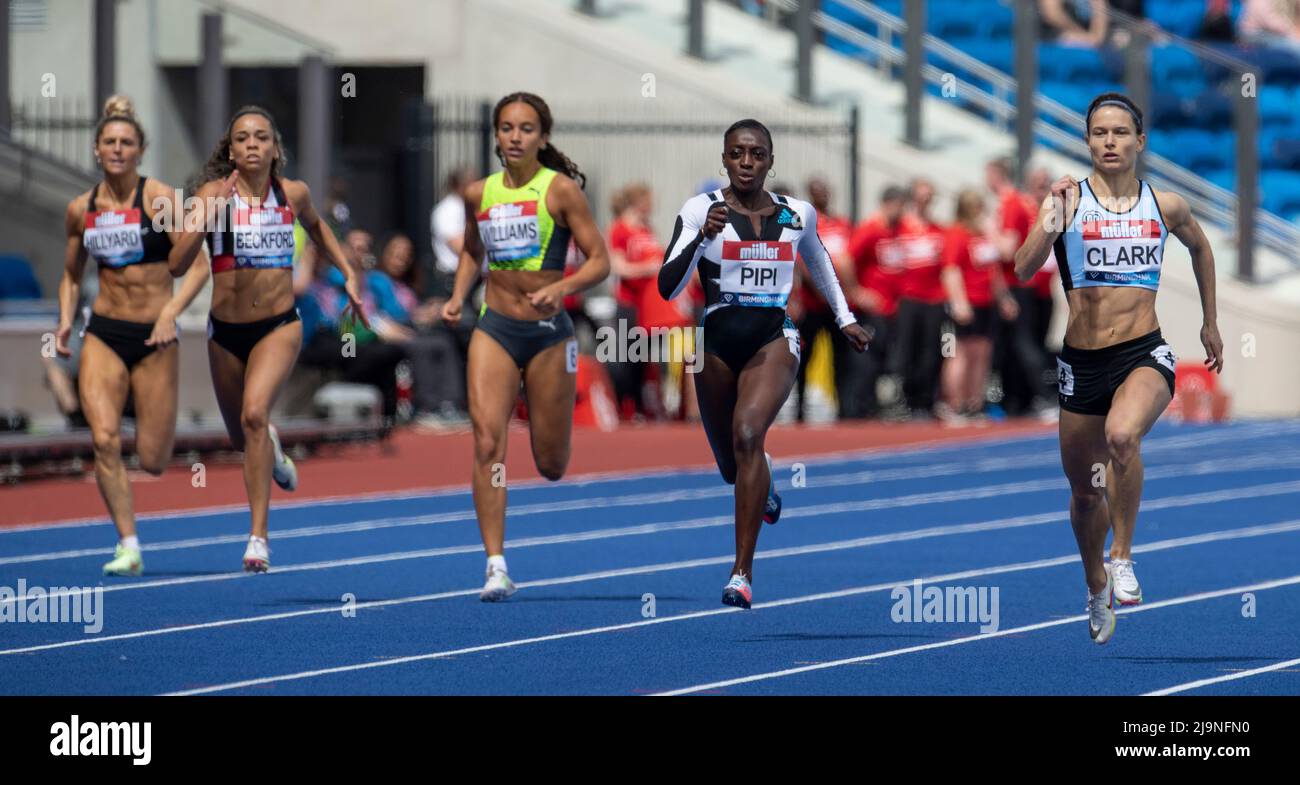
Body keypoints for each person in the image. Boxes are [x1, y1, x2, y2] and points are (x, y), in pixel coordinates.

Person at [1014, 92, 1223, 644]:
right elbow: (1022, 268)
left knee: (1123, 436)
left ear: (1139, 141)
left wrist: (1210, 323)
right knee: (1085, 492)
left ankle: (1124, 557)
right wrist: (1049, 220)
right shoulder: (1067, 201)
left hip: (1143, 352)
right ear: (1087, 141)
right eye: (1100, 133)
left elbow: (1202, 249)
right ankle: (1095, 582)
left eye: (1120, 133)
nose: (1110, 142)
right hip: (1081, 362)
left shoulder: (1166, 205)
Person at [659, 119, 870, 609]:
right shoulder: (699, 210)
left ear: (771, 161)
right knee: (734, 467)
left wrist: (844, 318)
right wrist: (697, 241)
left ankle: (741, 573)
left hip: (773, 337)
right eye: (737, 154)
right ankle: (765, 481)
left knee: (750, 433)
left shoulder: (798, 214)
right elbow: (667, 286)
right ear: (725, 160)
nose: (747, 163)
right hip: (713, 343)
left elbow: (819, 262)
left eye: (757, 154)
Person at [441, 92, 610, 601]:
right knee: (488, 441)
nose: (515, 137)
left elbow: (600, 261)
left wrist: (560, 288)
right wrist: (456, 296)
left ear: (542, 137)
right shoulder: (479, 194)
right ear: (496, 135)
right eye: (507, 128)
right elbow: (472, 252)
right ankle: (495, 563)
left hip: (548, 335)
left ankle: (551, 449)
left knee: (551, 462)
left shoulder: (559, 192)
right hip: (494, 327)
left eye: (527, 129)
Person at [193, 105, 367, 572]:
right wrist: (206, 213)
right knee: (241, 436)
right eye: (243, 138)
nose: (252, 145)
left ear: (275, 148)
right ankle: (268, 446)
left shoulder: (292, 193)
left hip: (278, 325)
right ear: (230, 149)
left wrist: (347, 271)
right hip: (224, 332)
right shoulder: (212, 194)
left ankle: (258, 537)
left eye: (261, 137)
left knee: (253, 414)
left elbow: (318, 228)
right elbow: (175, 262)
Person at [55, 95, 211, 576]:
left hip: (154, 336)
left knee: (154, 458)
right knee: (103, 439)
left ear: (140, 150)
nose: (118, 149)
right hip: (103, 331)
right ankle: (128, 544)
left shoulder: (158, 200)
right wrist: (64, 321)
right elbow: (71, 275)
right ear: (96, 150)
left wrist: (172, 312)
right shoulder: (82, 210)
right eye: (109, 142)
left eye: (126, 142)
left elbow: (199, 267)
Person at [939, 190, 1018, 420]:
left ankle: (974, 404)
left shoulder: (984, 235)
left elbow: (995, 268)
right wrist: (959, 303)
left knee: (982, 353)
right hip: (967, 301)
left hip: (986, 302)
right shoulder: (957, 234)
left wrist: (1004, 298)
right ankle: (954, 404)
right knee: (960, 353)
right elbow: (950, 270)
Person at [789, 177, 857, 422]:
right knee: (804, 358)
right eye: (817, 191)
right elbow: (801, 259)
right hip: (813, 305)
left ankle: (846, 408)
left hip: (836, 307)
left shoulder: (842, 224)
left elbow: (850, 258)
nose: (823, 195)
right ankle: (799, 410)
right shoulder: (804, 222)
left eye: (826, 190)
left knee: (842, 357)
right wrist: (821, 291)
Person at [847, 186, 910, 418]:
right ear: (889, 204)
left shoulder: (895, 230)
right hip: (873, 309)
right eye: (901, 206)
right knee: (868, 360)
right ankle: (861, 409)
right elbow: (846, 260)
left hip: (891, 308)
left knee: (885, 357)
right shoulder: (870, 229)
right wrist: (856, 291)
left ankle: (875, 405)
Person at [891, 178, 948, 421]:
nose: (925, 201)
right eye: (921, 196)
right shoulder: (900, 227)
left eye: (929, 196)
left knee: (931, 351)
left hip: (933, 300)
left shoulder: (938, 230)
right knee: (906, 351)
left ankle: (925, 401)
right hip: (909, 298)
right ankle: (907, 398)